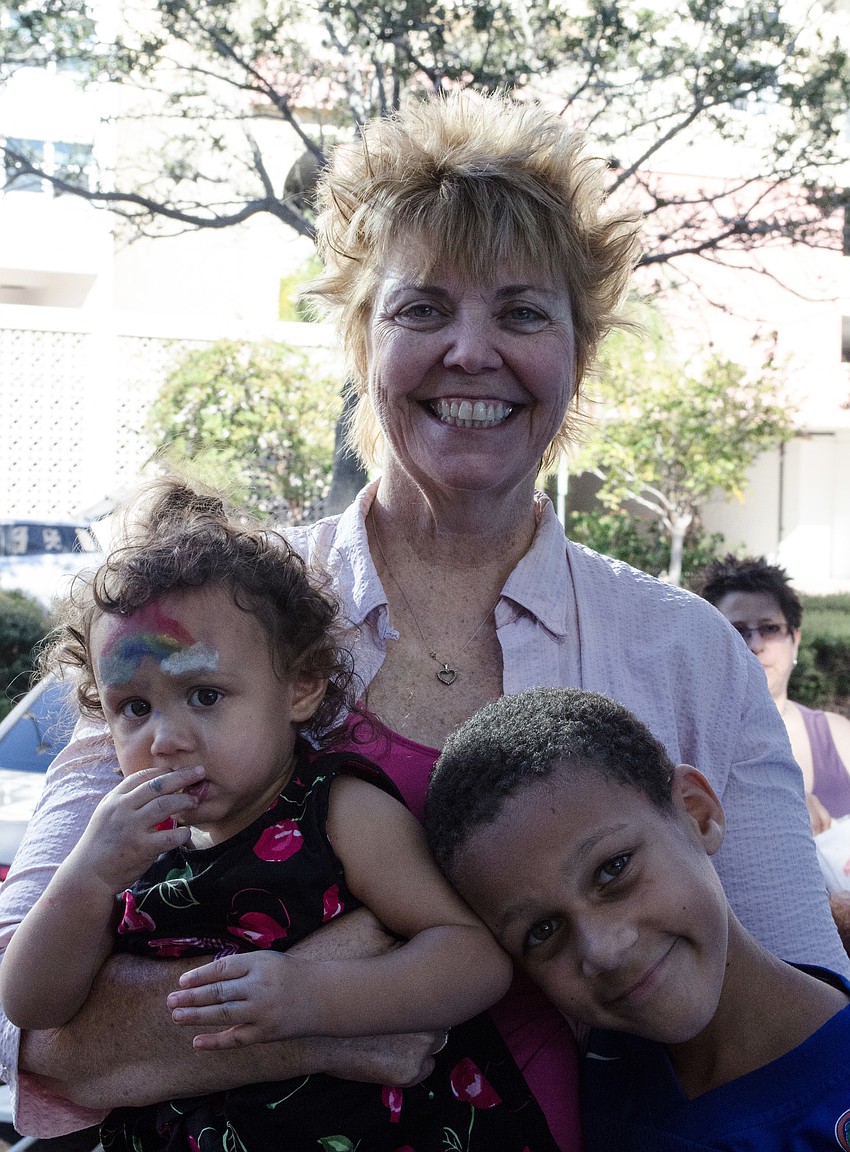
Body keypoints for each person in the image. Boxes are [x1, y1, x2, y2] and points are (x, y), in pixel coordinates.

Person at [0, 91, 847, 1152]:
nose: (471, 352)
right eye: (422, 309)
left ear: (579, 355)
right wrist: (332, 1025)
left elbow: (796, 1002)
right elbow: (24, 1018)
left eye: (523, 312)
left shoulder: (687, 655)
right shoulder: (202, 615)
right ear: (361, 344)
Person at [0, 477, 534, 1152]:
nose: (166, 738)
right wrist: (86, 877)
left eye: (204, 694)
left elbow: (474, 958)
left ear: (300, 686)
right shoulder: (131, 846)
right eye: (134, 708)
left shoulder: (337, 811)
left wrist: (313, 999)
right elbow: (30, 1007)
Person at [424, 687, 850, 1151]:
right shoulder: (602, 1073)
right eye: (542, 931)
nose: (603, 950)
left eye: (614, 868)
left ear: (697, 813)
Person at [695, 554, 850, 829]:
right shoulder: (691, 747)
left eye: (770, 628)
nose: (755, 644)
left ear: (795, 639)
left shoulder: (839, 736)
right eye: (736, 630)